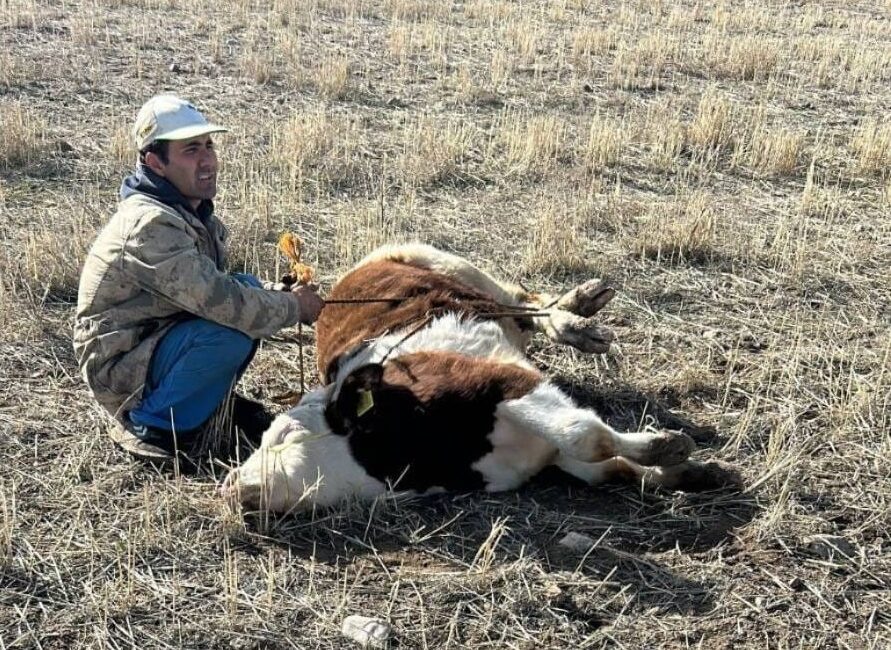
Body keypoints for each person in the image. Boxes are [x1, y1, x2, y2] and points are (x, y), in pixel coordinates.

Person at [73, 94, 325, 467]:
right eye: (191, 150)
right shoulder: (150, 225)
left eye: (209, 145)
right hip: (119, 369)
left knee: (248, 287)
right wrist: (294, 307)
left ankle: (196, 405)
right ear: (154, 162)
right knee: (230, 332)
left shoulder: (186, 211)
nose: (207, 159)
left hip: (154, 339)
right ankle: (153, 428)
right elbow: (224, 303)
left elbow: (220, 285)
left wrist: (279, 293)